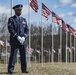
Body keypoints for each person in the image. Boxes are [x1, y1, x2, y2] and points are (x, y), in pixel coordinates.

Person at [8, 4, 29, 74]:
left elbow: (26, 29)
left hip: (22, 41)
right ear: (15, 11)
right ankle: (10, 70)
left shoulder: (24, 20)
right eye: (19, 10)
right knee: (13, 55)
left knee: (23, 56)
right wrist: (17, 36)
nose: (20, 11)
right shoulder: (11, 19)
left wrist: (24, 36)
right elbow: (10, 29)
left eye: (21, 10)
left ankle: (24, 69)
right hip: (15, 40)